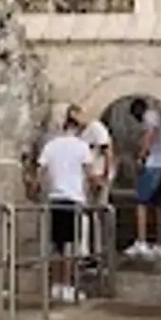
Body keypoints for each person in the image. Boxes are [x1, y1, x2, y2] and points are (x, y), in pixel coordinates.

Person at [39, 106, 101, 304]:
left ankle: (55, 285)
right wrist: (97, 187)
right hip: (73, 198)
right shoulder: (81, 147)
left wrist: (36, 190)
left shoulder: (51, 146)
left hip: (54, 198)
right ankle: (68, 285)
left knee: (56, 245)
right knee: (70, 246)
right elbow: (90, 173)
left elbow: (40, 171)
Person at [133, 103, 161, 258]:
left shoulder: (150, 116)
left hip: (154, 164)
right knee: (158, 205)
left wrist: (142, 156)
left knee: (141, 202)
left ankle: (142, 241)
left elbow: (150, 134)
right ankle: (160, 244)